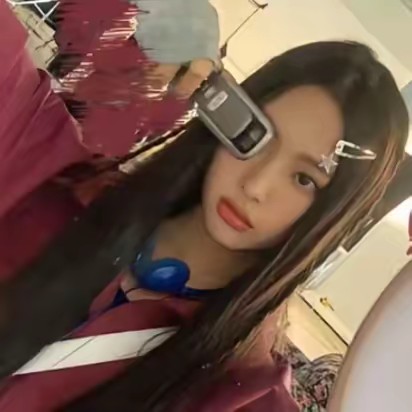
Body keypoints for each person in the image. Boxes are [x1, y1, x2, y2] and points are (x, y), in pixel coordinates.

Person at [0, 0, 409, 411]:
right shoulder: (54, 174)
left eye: (304, 179)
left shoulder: (243, 394)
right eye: (258, 136)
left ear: (332, 215)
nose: (256, 186)